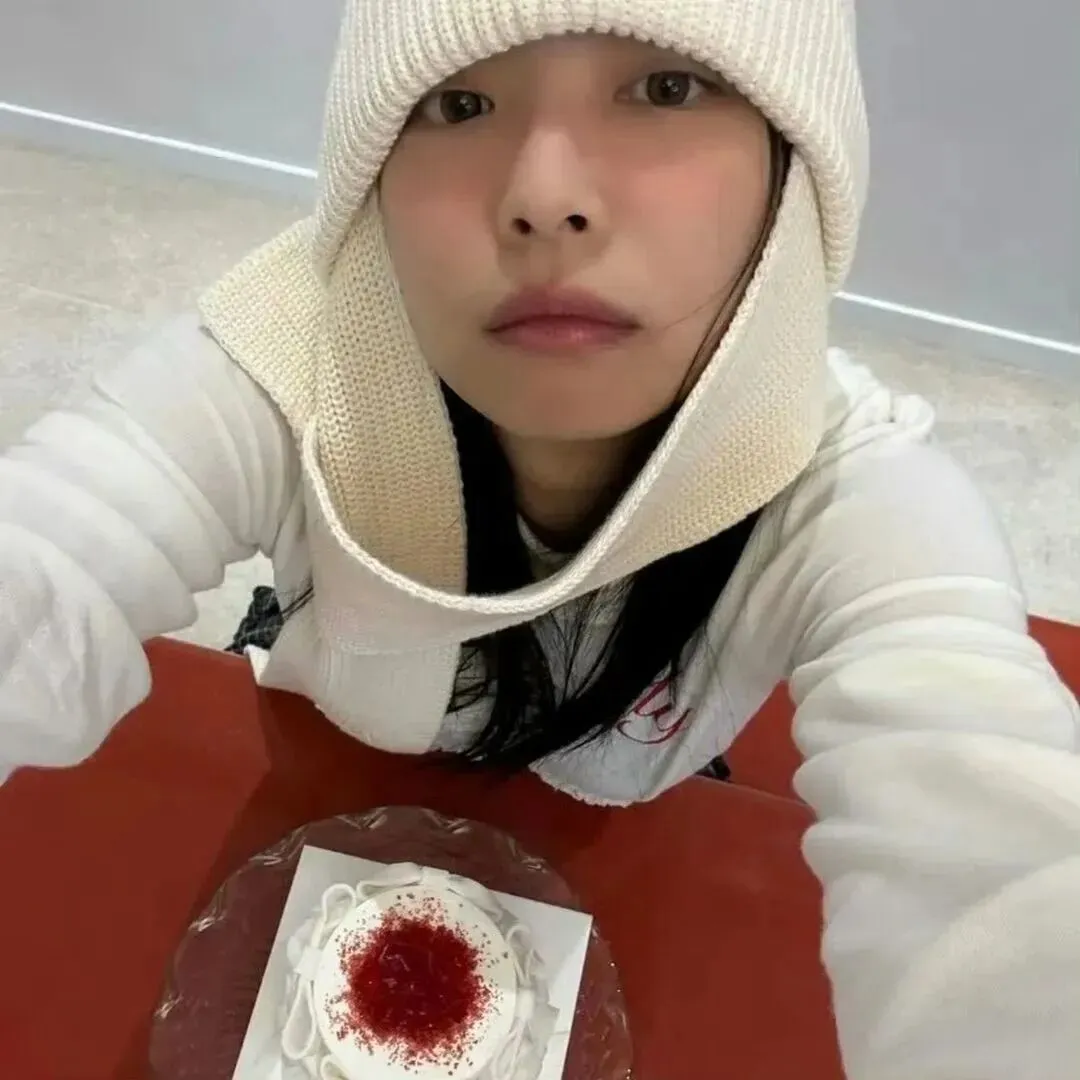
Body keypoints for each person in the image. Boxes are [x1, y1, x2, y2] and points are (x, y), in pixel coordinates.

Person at [2, 0, 1079, 1074]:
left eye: (667, 87)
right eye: (457, 102)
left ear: (793, 164)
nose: (545, 198)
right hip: (313, 801)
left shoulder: (847, 488)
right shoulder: (280, 372)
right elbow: (45, 561)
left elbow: (992, 847)